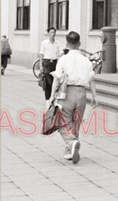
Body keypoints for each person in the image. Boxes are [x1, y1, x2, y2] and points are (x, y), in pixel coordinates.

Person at [48, 31, 99, 164]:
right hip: (82, 93)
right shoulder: (86, 60)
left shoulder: (63, 59)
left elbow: (56, 79)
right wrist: (94, 96)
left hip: (67, 93)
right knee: (76, 122)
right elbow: (92, 80)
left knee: (62, 122)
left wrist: (51, 97)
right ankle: (70, 149)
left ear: (66, 44)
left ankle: (71, 142)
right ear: (79, 43)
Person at [39, 27, 63, 100]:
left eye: (54, 32)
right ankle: (48, 99)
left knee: (55, 80)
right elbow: (41, 54)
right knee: (48, 81)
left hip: (55, 63)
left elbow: (61, 53)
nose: (53, 34)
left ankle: (52, 97)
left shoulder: (57, 43)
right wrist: (40, 65)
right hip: (46, 63)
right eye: (51, 32)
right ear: (48, 33)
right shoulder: (44, 43)